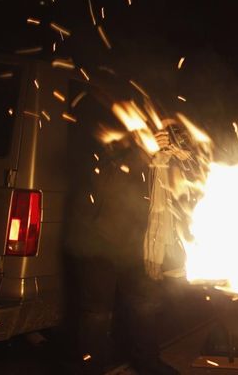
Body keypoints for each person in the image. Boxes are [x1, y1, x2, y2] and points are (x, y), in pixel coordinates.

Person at [65, 90, 184, 375]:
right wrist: (143, 149)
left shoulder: (165, 161)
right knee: (96, 313)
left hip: (137, 246)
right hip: (99, 242)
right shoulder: (117, 141)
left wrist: (175, 152)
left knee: (144, 307)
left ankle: (147, 363)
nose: (161, 135)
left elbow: (173, 203)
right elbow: (108, 176)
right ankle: (89, 367)